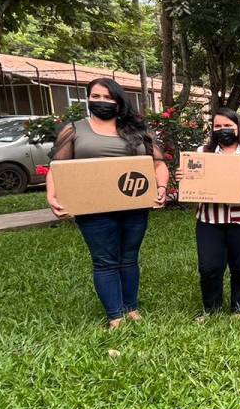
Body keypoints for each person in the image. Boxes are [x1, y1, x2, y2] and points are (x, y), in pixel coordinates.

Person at [47, 78, 169, 329]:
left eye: (107, 97)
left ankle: (131, 308)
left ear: (118, 101)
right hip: (93, 209)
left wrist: (161, 188)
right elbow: (56, 168)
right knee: (104, 260)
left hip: (134, 205)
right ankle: (115, 315)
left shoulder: (137, 130)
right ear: (88, 99)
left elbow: (158, 164)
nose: (101, 101)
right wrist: (52, 196)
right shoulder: (75, 130)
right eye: (95, 96)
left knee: (129, 258)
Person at [178, 109, 240, 320]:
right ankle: (211, 309)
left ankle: (239, 309)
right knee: (209, 267)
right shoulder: (202, 153)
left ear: (238, 127)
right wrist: (184, 177)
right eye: (218, 127)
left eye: (228, 126)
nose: (223, 130)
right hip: (210, 220)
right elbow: (192, 179)